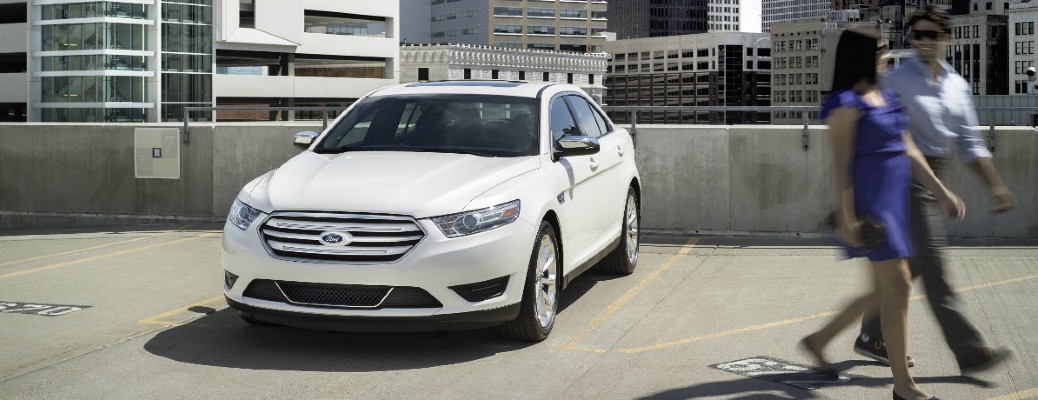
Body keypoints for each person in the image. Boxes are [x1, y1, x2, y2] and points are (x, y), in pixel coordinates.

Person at [800, 27, 965, 400]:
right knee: (900, 286)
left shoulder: (886, 95)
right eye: (881, 49)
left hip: (896, 204)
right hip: (870, 209)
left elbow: (908, 149)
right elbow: (840, 166)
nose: (887, 54)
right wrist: (846, 218)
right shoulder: (844, 104)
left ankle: (818, 340)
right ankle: (904, 386)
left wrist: (941, 191)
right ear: (861, 55)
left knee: (880, 292)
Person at [853, 5, 1016, 375]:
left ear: (946, 38)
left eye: (932, 35)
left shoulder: (957, 85)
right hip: (905, 178)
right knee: (935, 267)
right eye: (918, 35)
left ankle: (871, 333)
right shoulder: (897, 80)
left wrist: (996, 187)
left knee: (907, 270)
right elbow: (881, 129)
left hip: (935, 174)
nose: (924, 42)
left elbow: (970, 143)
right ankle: (971, 352)